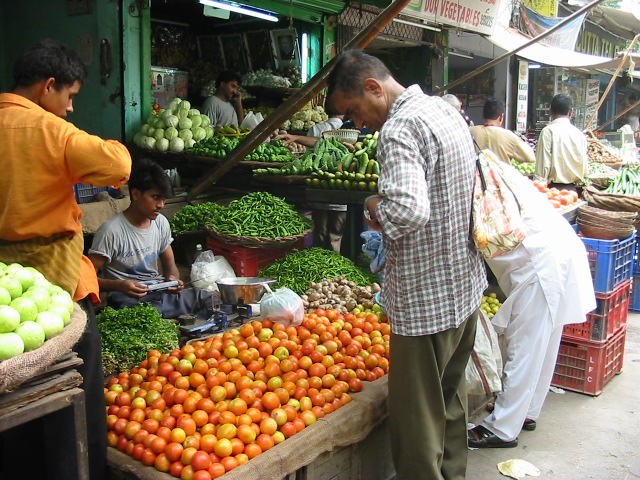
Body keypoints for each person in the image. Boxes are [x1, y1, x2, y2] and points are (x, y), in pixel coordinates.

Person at [327, 49, 487, 479]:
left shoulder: (399, 129)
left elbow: (409, 211)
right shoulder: (442, 109)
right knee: (449, 401)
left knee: (416, 423)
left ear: (373, 88)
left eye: (354, 111)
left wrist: (374, 204)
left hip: (425, 301)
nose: (359, 123)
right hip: (464, 288)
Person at [0, 39, 132, 480]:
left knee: (11, 394)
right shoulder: (52, 131)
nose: (71, 108)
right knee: (75, 383)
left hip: (6, 290)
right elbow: (117, 166)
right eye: (70, 96)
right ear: (48, 86)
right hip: (54, 284)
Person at [468, 151, 595, 448]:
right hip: (554, 251)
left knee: (524, 348)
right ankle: (525, 412)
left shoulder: (472, 178)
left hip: (539, 263)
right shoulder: (491, 165)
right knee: (541, 344)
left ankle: (502, 428)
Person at [88, 159, 212, 319]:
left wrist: (173, 280)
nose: (161, 205)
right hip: (128, 299)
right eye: (155, 197)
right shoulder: (111, 231)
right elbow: (87, 279)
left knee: (207, 298)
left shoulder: (160, 222)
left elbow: (170, 266)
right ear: (136, 194)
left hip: (159, 292)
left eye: (164, 199)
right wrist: (119, 285)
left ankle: (197, 330)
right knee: (145, 316)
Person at [276, 107, 348, 253]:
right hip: (339, 193)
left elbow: (316, 147)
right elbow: (322, 142)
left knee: (320, 233)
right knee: (335, 235)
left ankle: (325, 260)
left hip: (319, 191)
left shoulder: (319, 129)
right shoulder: (347, 130)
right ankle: (330, 260)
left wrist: (296, 137)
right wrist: (295, 138)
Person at [535, 93, 588, 190]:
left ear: (550, 111)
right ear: (571, 112)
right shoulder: (579, 134)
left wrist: (538, 187)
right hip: (574, 190)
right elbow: (584, 169)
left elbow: (543, 166)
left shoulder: (548, 131)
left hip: (552, 190)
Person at [470, 98, 536, 165]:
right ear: (501, 117)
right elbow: (530, 157)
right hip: (499, 171)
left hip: (474, 171)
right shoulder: (508, 135)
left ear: (483, 115)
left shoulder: (470, 131)